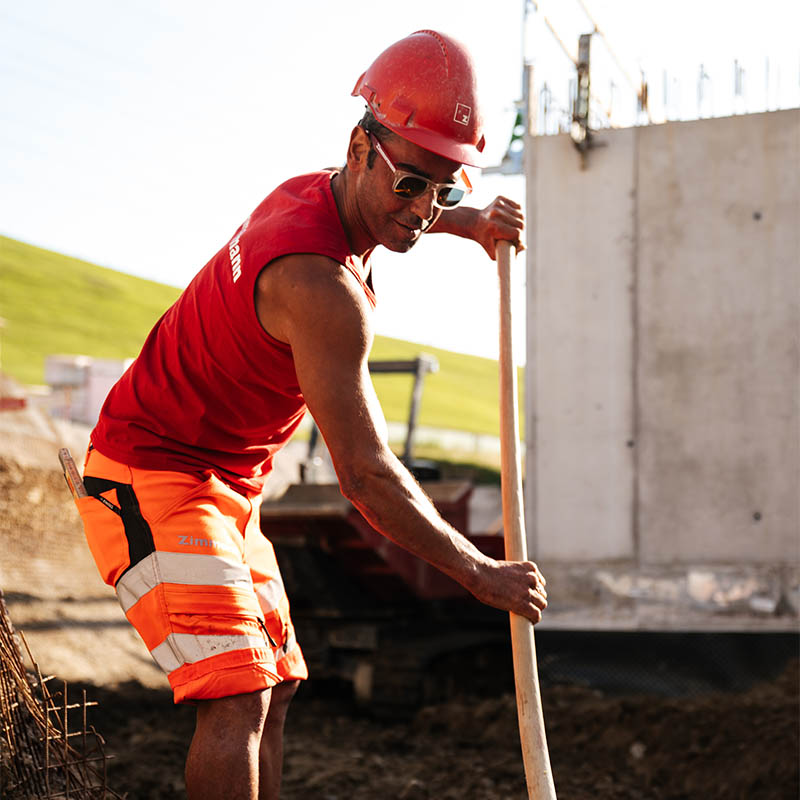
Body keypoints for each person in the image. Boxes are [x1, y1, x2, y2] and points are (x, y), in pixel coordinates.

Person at [74, 29, 548, 800]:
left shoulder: (319, 192)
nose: (423, 210)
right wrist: (477, 572)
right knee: (237, 693)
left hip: (229, 487)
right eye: (412, 184)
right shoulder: (320, 289)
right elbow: (365, 475)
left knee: (279, 683)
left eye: (446, 190)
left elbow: (399, 208)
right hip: (149, 473)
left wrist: (469, 223)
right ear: (359, 149)